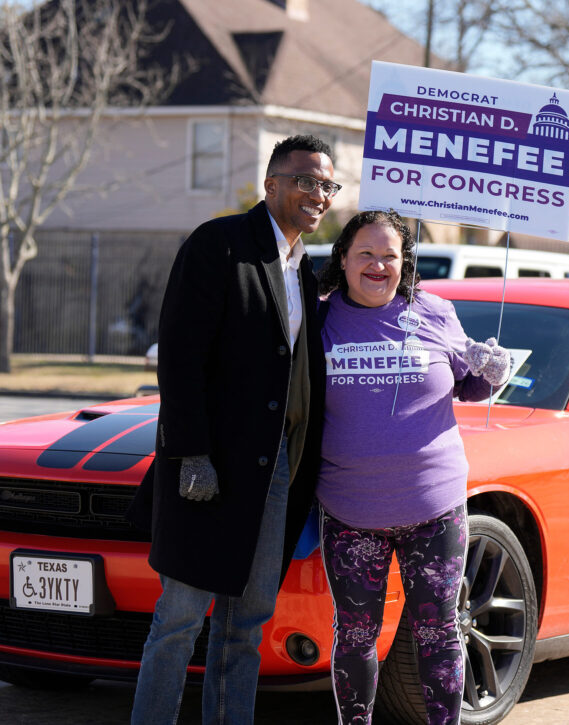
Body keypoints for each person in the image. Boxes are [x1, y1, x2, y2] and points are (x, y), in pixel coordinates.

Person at [127, 135, 338, 724]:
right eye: (305, 180)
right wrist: (192, 454)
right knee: (179, 621)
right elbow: (181, 357)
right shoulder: (219, 244)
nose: (318, 194)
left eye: (327, 185)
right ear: (270, 185)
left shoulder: (305, 270)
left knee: (245, 626)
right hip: (208, 473)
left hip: (274, 477)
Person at [314, 210, 510, 725]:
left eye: (390, 256)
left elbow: (468, 385)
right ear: (343, 258)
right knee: (355, 635)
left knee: (439, 631)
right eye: (366, 254)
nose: (378, 265)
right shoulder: (318, 318)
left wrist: (491, 371)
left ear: (406, 263)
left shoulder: (436, 311)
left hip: (434, 507)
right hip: (350, 509)